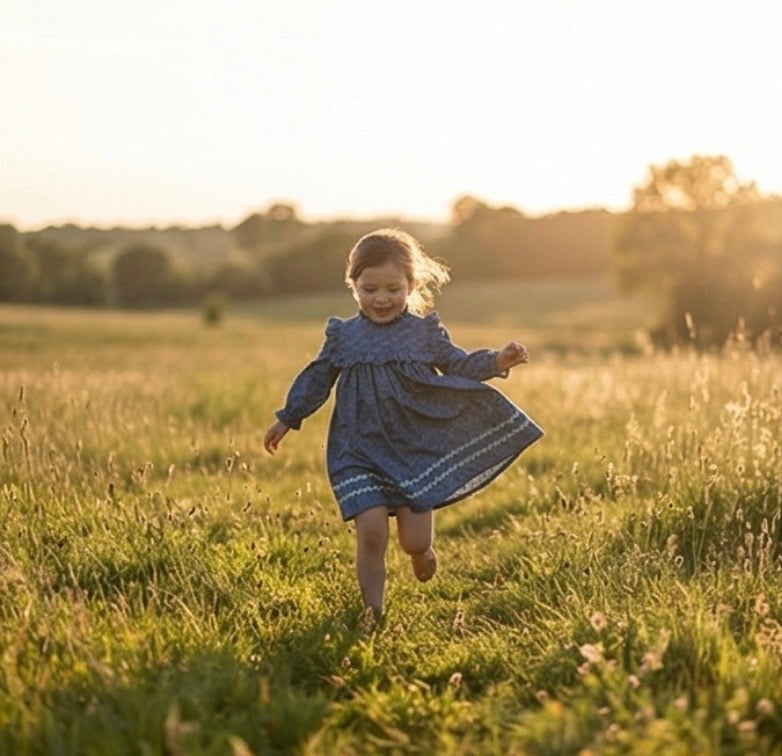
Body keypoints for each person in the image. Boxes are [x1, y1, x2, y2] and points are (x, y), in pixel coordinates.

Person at [263, 228, 543, 622]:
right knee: (371, 531)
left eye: (393, 289)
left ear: (411, 285)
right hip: (357, 448)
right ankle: (373, 612)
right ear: (353, 285)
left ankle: (421, 552)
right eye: (370, 288)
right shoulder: (343, 336)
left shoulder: (423, 333)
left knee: (414, 540)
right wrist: (288, 417)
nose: (381, 298)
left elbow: (458, 365)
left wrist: (496, 361)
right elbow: (317, 377)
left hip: (413, 447)